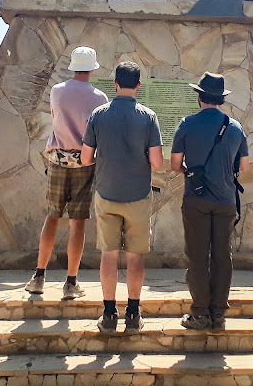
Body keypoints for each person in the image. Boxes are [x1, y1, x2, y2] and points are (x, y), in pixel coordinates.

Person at [81, 61, 163, 334]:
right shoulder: (149, 117)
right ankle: (133, 312)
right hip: (138, 194)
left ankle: (108, 313)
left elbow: (85, 158)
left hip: (106, 192)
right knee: (135, 256)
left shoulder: (98, 114)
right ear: (139, 85)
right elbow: (157, 161)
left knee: (108, 254)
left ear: (115, 83)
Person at [25, 46, 107, 299]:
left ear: (72, 66)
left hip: (59, 160)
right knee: (77, 223)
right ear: (93, 69)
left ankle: (39, 276)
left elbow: (55, 117)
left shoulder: (57, 91)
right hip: (84, 163)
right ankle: (71, 282)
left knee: (52, 217)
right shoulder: (100, 98)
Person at [171, 72, 250, 330]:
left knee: (197, 256)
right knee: (222, 256)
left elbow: (174, 164)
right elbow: (244, 166)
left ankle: (200, 312)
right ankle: (218, 312)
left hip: (196, 197)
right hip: (226, 200)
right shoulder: (235, 127)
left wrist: (190, 170)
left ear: (199, 96)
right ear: (221, 99)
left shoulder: (186, 124)